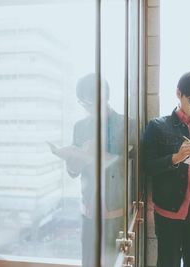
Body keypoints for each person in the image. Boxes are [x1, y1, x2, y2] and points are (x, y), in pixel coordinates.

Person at [143, 71, 190, 267]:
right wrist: (176, 158)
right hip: (168, 211)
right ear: (179, 93)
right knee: (167, 263)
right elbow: (147, 167)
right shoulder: (157, 126)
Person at [64, 73, 125, 267]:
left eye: (89, 102)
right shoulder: (80, 127)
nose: (87, 107)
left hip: (117, 212)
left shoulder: (126, 124)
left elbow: (130, 168)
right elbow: (73, 172)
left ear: (105, 97)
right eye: (82, 103)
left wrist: (103, 155)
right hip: (89, 211)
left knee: (115, 262)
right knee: (88, 262)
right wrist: (74, 160)